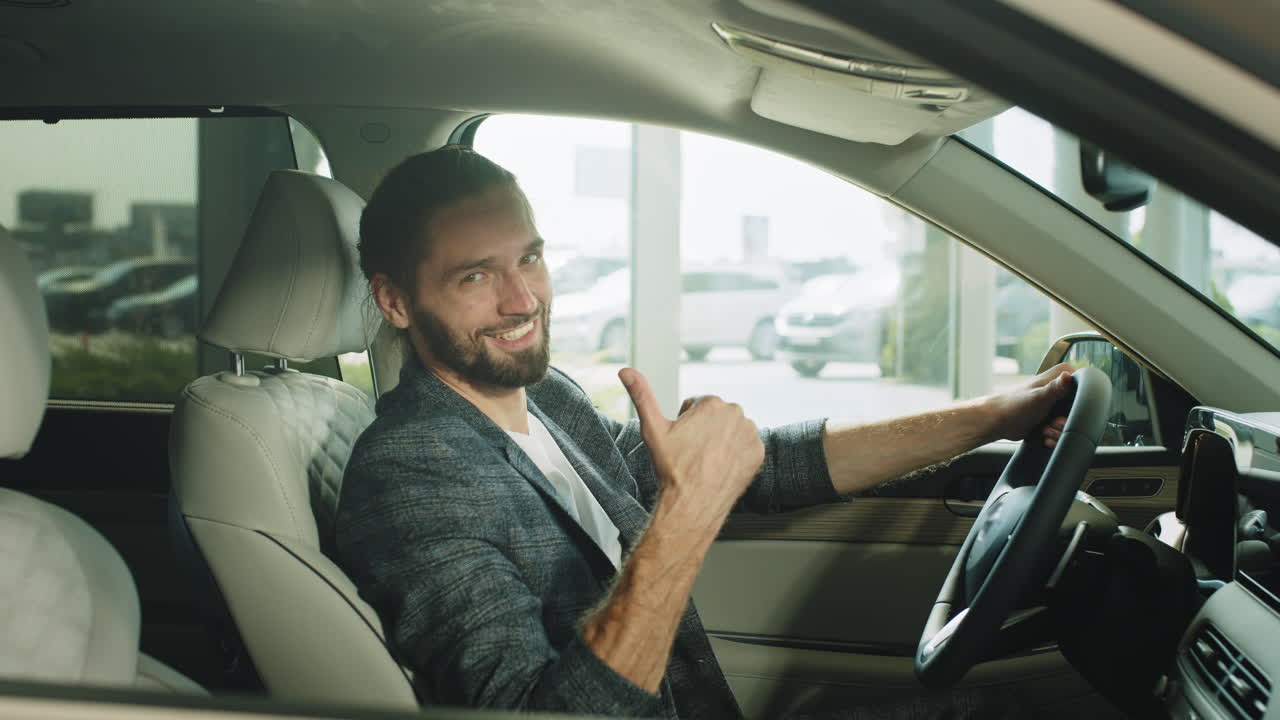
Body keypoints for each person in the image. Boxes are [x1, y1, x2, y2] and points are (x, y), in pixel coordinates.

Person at [335, 145, 1071, 719]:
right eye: (475, 276)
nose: (523, 298)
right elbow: (541, 717)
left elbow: (773, 467)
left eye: (530, 257)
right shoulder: (410, 472)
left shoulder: (547, 398)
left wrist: (994, 415)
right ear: (395, 301)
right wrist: (686, 513)